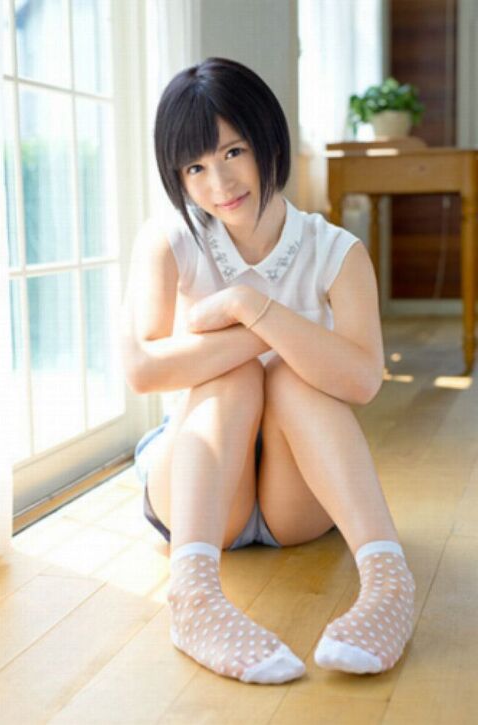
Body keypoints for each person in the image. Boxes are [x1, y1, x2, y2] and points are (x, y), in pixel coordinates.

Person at [120, 57, 415, 685]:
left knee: (289, 379)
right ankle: (192, 594)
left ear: (268, 141)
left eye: (234, 151)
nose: (219, 182)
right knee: (241, 375)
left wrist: (247, 305)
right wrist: (265, 335)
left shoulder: (336, 252)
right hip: (201, 496)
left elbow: (363, 380)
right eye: (195, 167)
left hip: (296, 502)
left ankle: (389, 583)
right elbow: (142, 368)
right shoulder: (169, 240)